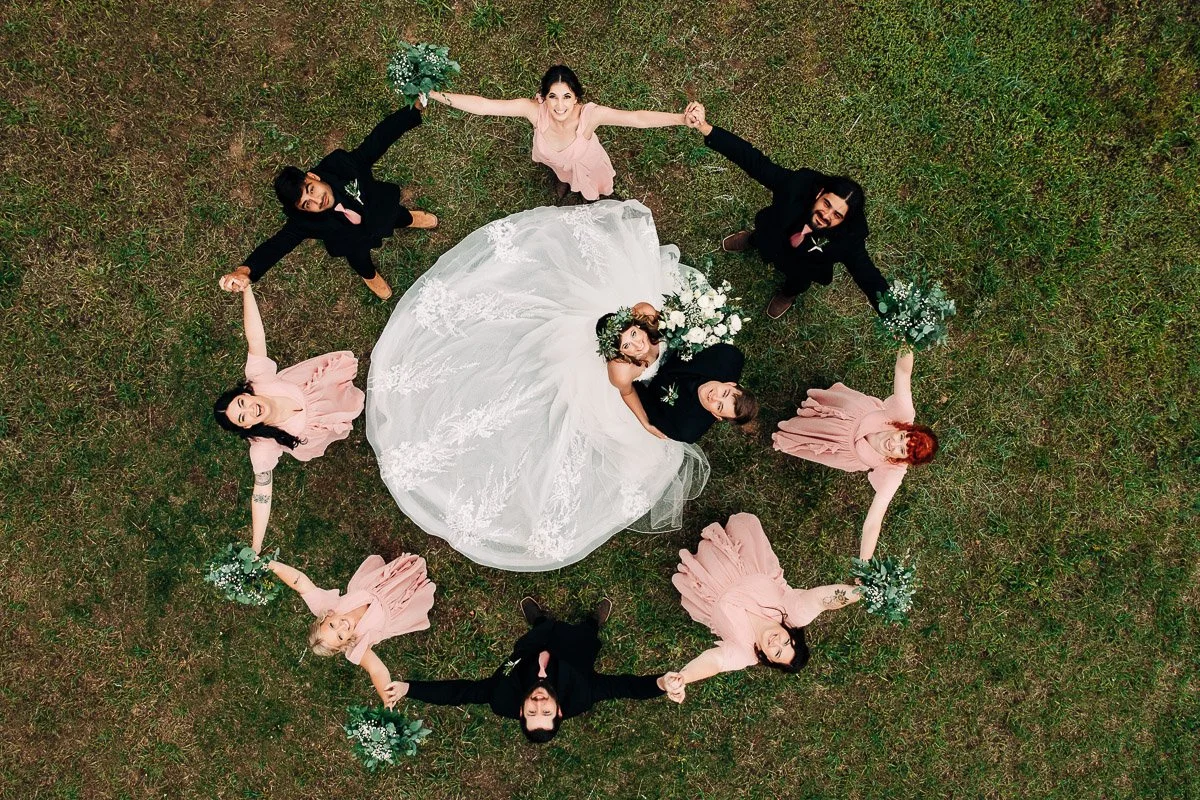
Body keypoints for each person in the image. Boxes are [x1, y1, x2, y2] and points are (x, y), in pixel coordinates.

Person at [366, 200, 709, 570]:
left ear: (638, 324)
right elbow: (627, 394)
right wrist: (643, 422)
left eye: (634, 336)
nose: (636, 344)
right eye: (627, 346)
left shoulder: (646, 311)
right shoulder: (619, 373)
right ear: (619, 355)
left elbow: (669, 322)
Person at [218, 101, 438, 301]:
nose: (317, 201)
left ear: (312, 176)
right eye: (306, 204)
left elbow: (379, 139)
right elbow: (276, 246)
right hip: (351, 241)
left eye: (311, 190)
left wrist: (414, 109)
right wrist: (245, 271)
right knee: (360, 261)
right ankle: (369, 276)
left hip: (378, 209)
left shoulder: (343, 166)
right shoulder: (302, 222)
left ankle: (409, 219)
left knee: (399, 216)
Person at [684, 103, 887, 320]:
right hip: (774, 232)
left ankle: (787, 295)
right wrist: (706, 128)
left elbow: (869, 278)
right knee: (762, 237)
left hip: (804, 265)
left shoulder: (850, 239)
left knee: (797, 281)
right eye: (827, 204)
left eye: (837, 215)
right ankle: (751, 240)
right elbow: (754, 162)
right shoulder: (796, 186)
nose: (826, 216)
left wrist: (899, 320)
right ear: (820, 194)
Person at [385, 598, 685, 743]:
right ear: (560, 712)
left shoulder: (501, 698)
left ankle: (541, 623)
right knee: (585, 635)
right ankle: (592, 623)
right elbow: (625, 688)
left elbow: (458, 693)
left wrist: (408, 688)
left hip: (530, 650)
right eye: (546, 713)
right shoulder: (579, 696)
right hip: (574, 651)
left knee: (540, 633)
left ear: (520, 712)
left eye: (531, 713)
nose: (539, 705)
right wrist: (660, 683)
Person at [212, 285, 365, 552]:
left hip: (314, 388)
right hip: (317, 422)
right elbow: (261, 494)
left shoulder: (259, 378)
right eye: (242, 418)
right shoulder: (262, 447)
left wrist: (247, 291)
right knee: (353, 409)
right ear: (247, 427)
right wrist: (256, 545)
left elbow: (255, 337)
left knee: (344, 388)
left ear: (245, 394)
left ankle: (347, 390)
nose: (249, 411)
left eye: (242, 404)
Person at [428, 65, 699, 201]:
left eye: (567, 97)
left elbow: (637, 118)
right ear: (542, 97)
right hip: (556, 162)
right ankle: (564, 180)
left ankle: (589, 193)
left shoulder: (590, 115)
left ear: (577, 98)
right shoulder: (534, 111)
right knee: (560, 172)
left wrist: (679, 118)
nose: (560, 106)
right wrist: (434, 94)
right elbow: (484, 106)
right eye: (553, 97)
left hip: (587, 165)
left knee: (596, 190)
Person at [772, 349, 937, 560]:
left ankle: (795, 432)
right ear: (905, 428)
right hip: (851, 414)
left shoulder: (894, 472)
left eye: (902, 450)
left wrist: (865, 563)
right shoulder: (903, 414)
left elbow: (874, 520)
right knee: (846, 405)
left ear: (904, 459)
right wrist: (908, 341)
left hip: (841, 449)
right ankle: (817, 406)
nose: (894, 442)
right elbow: (903, 373)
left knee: (806, 436)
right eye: (902, 437)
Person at [672, 513, 862, 687]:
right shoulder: (792, 612)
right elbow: (821, 600)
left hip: (707, 583)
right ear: (791, 634)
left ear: (769, 659)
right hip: (739, 558)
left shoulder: (746, 653)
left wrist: (684, 677)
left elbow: (715, 662)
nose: (777, 643)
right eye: (787, 642)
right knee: (741, 524)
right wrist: (857, 593)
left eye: (777, 652)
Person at [266, 553, 435, 706]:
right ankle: (414, 583)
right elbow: (376, 669)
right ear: (346, 643)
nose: (342, 626)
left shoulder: (327, 607)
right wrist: (386, 697)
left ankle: (400, 571)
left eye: (332, 625)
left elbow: (300, 582)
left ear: (327, 617)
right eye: (340, 636)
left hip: (377, 585)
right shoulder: (357, 645)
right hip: (396, 605)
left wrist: (274, 566)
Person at [630, 341, 759, 444]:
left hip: (642, 378)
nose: (714, 397)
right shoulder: (729, 357)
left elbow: (644, 402)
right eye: (724, 393)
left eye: (719, 406)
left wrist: (632, 374)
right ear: (730, 384)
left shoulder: (685, 429)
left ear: (716, 416)